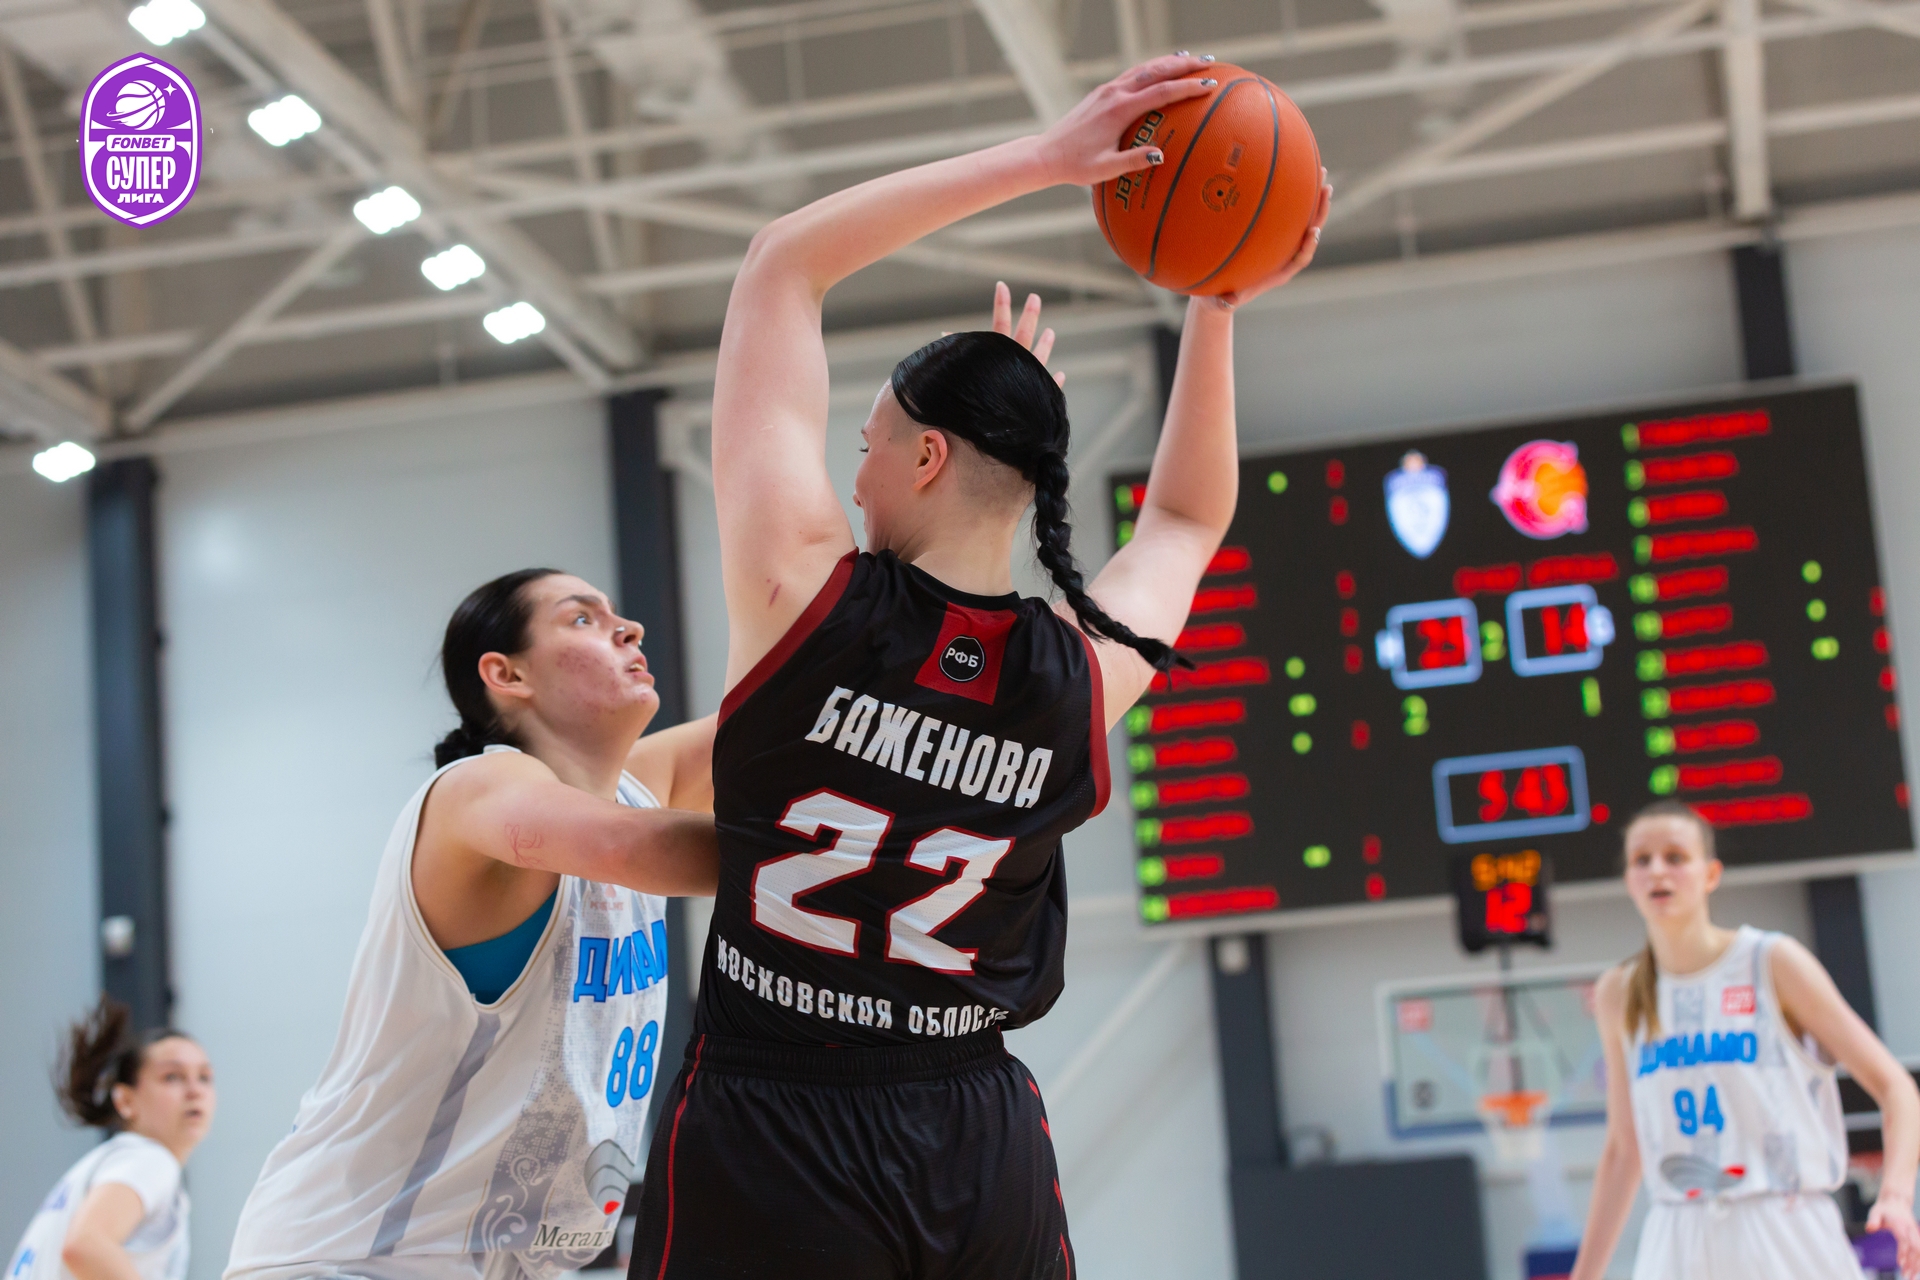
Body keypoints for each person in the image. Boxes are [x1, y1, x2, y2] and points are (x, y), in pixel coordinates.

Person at [628, 53, 1331, 1279]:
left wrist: (1049, 159)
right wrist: (1216, 300)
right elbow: (1183, 521)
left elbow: (782, 263)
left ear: (927, 458)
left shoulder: (804, 596)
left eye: (870, 442)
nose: (853, 474)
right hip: (976, 1136)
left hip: (774, 1123)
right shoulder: (1074, 676)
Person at [225, 570, 719, 1280]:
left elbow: (791, 714)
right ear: (506, 674)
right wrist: (850, 863)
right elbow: (638, 850)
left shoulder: (637, 793)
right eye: (582, 618)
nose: (628, 628)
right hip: (352, 1259)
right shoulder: (476, 792)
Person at [1570, 800, 1920, 1280]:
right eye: (1641, 860)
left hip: (1783, 1221)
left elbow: (1896, 1086)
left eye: (1675, 857)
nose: (1657, 871)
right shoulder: (1618, 992)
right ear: (1629, 879)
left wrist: (1896, 1195)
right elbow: (1622, 1150)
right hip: (1676, 1231)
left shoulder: (1771, 962)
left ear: (1711, 874)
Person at [8, 997, 215, 1280]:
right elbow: (85, 1246)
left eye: (204, 1077)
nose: (195, 1091)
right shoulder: (149, 1159)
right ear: (126, 1100)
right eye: (172, 1077)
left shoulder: (104, 1163)